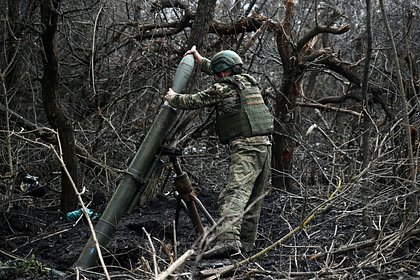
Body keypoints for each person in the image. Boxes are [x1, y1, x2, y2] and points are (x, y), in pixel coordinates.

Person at [164, 48, 273, 258]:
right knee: (253, 198)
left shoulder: (222, 89)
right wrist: (201, 61)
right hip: (265, 146)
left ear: (222, 73)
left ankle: (229, 242)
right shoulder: (249, 83)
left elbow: (194, 100)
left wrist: (173, 97)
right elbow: (220, 71)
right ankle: (247, 244)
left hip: (246, 149)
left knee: (233, 195)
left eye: (217, 73)